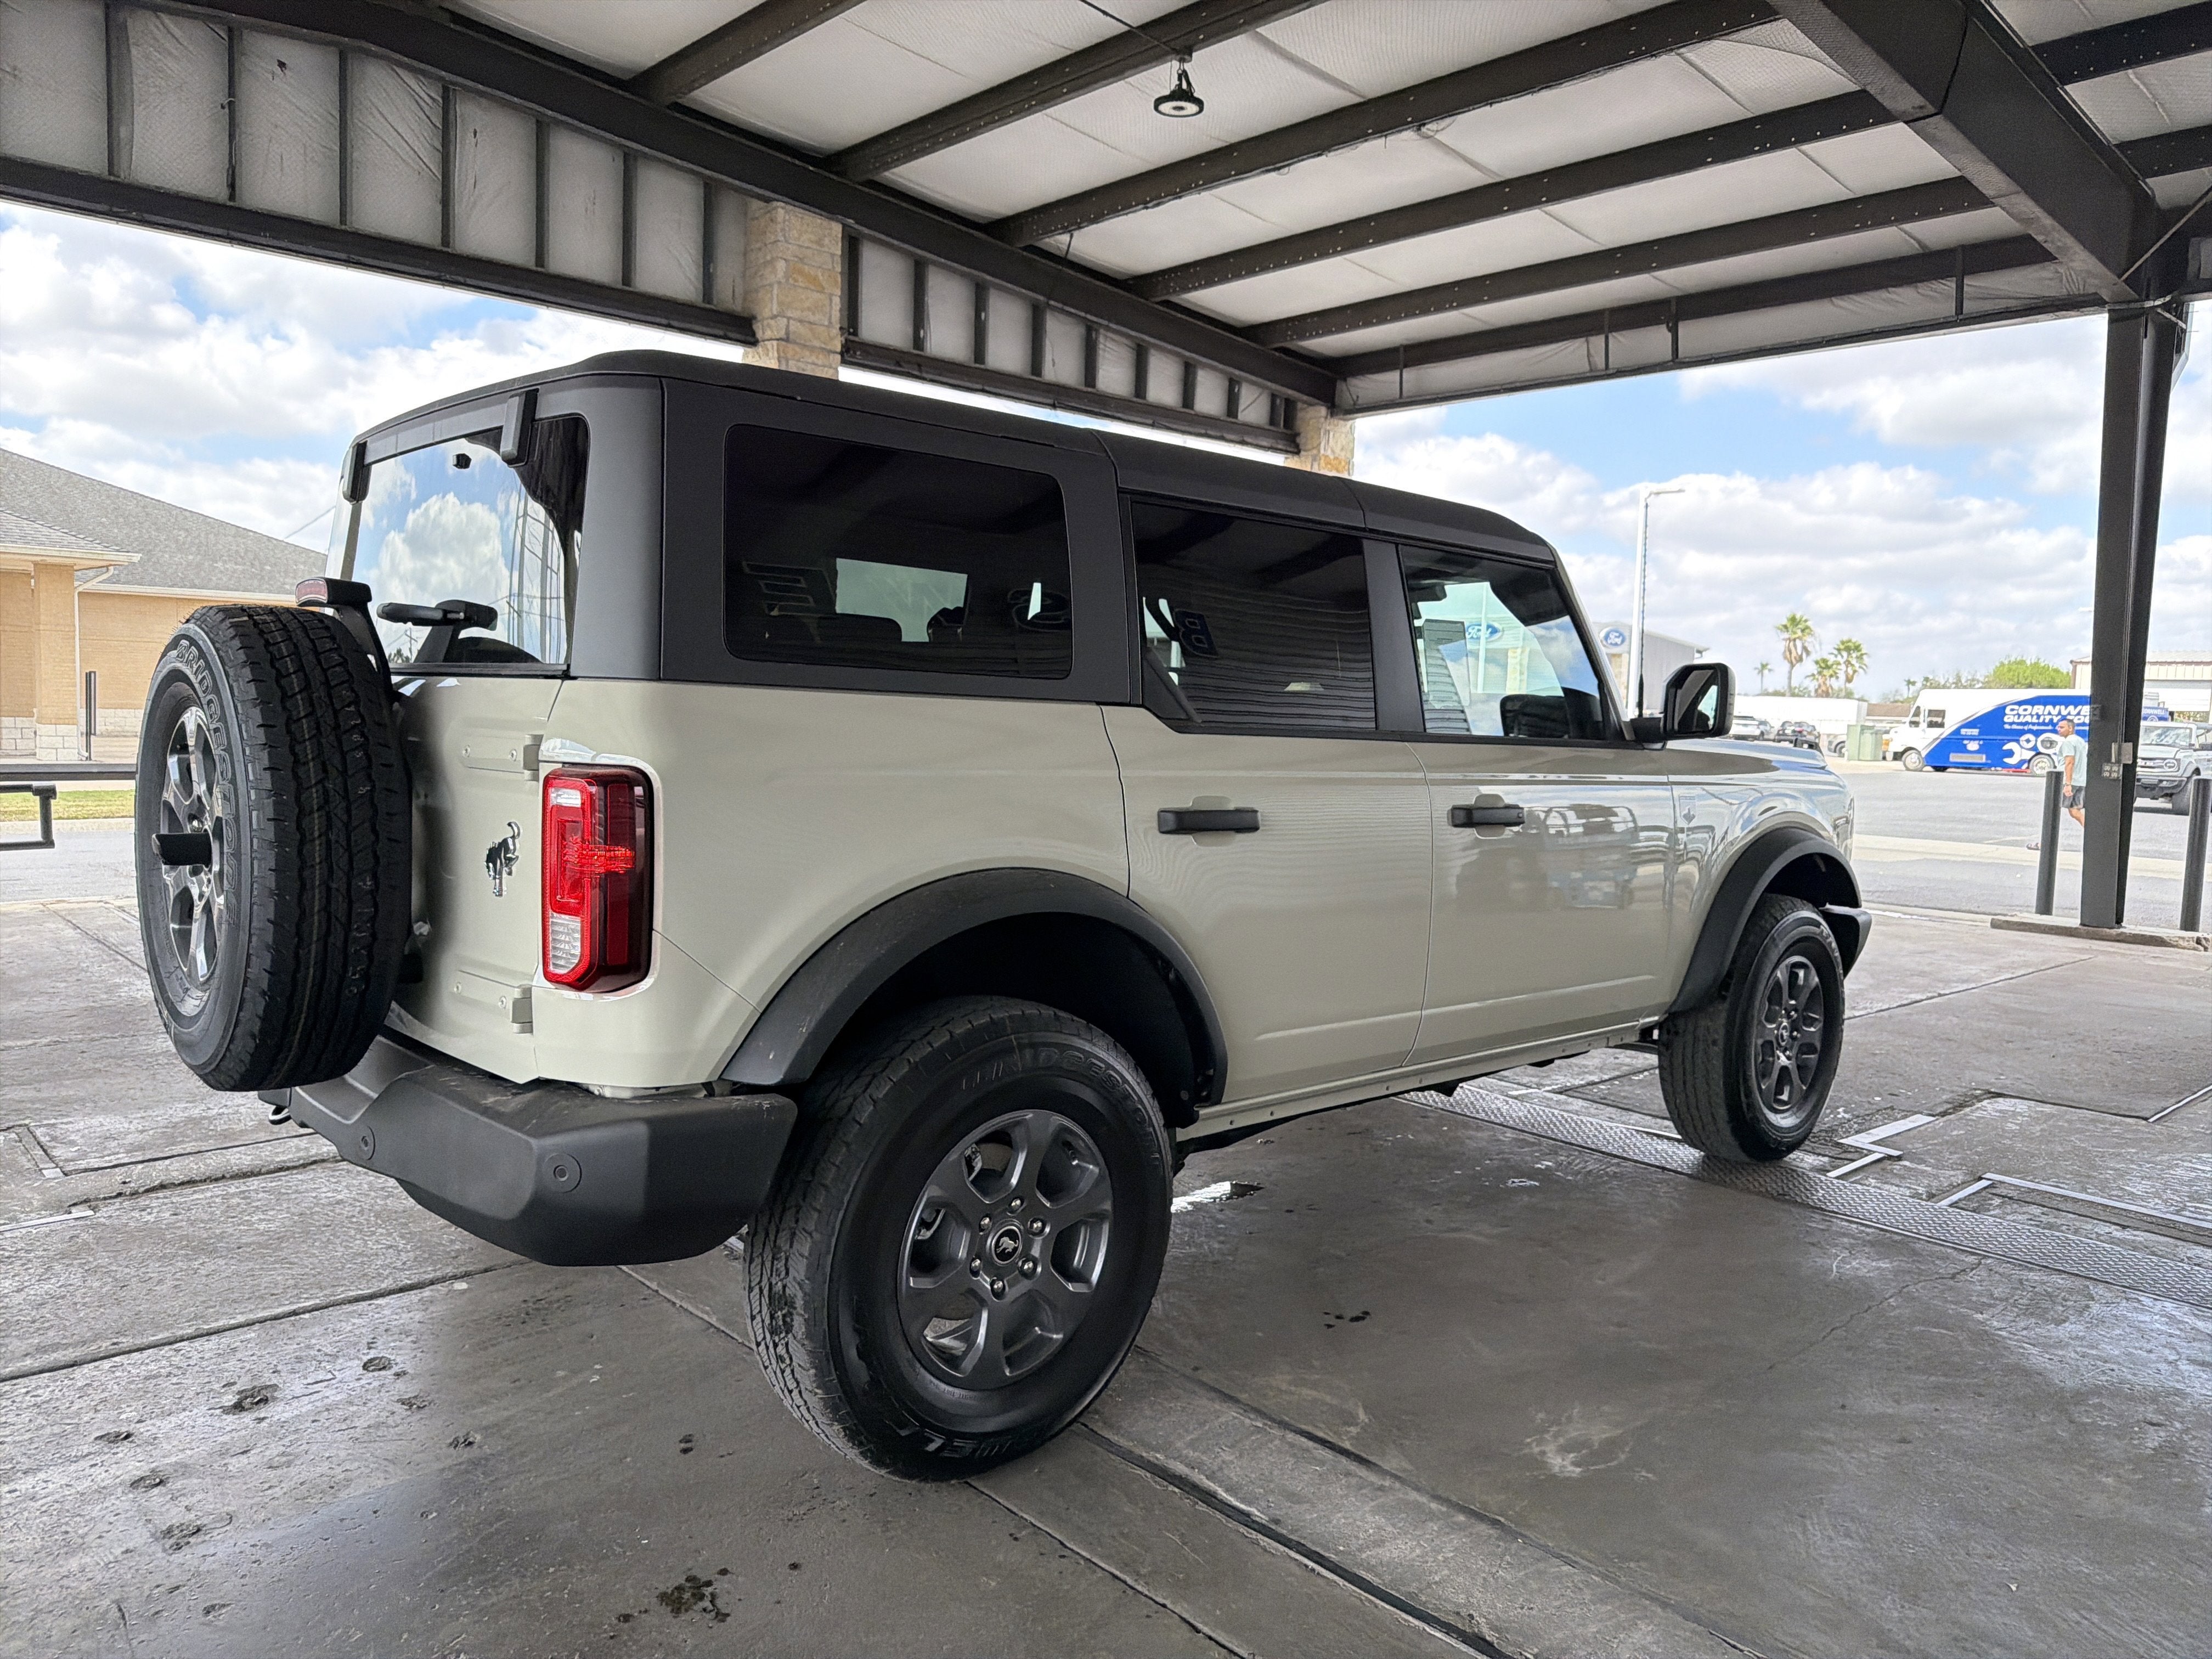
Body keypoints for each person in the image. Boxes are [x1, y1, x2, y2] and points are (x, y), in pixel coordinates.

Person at [2053, 716, 2090, 827]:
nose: (2059, 729)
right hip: (2080, 781)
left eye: (2062, 727)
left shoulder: (2068, 742)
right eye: (2058, 727)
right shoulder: (2080, 741)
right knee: (2075, 811)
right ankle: (2091, 832)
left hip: (2068, 781)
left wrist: (2068, 784)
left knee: (2053, 809)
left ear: (2071, 728)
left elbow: (2070, 762)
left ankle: (2046, 842)